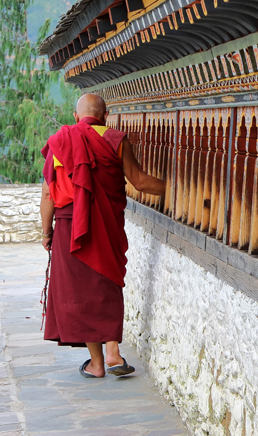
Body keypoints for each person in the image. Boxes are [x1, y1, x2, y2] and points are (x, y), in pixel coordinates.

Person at [39, 93, 166, 378]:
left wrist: (46, 232)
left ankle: (96, 364)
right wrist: (179, 191)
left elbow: (48, 193)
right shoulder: (115, 140)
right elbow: (141, 182)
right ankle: (113, 351)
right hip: (106, 223)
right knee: (106, 281)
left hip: (69, 226)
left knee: (79, 290)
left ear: (75, 116)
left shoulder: (61, 142)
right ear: (105, 116)